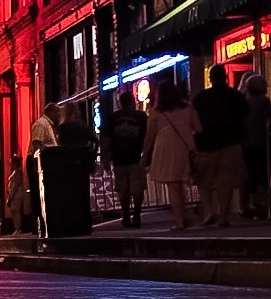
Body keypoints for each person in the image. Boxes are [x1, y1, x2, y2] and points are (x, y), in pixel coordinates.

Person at [193, 62, 250, 227]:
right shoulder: (236, 96)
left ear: (210, 79)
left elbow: (194, 121)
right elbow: (245, 114)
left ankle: (210, 210)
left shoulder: (201, 98)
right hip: (231, 142)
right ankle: (223, 215)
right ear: (225, 77)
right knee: (225, 181)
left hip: (205, 144)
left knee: (203, 180)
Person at [142, 75, 201, 231]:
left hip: (164, 149)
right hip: (184, 148)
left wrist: (145, 154)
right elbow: (198, 128)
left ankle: (180, 220)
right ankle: (184, 215)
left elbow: (150, 136)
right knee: (180, 183)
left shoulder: (156, 113)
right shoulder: (187, 108)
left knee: (172, 185)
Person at [103, 85, 148, 228]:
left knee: (123, 189)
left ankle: (126, 215)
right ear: (132, 101)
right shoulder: (141, 116)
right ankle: (137, 215)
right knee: (137, 189)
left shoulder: (113, 118)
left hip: (119, 158)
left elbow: (105, 137)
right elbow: (148, 136)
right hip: (137, 157)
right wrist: (148, 154)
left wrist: (105, 157)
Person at [241, 71, 271, 220]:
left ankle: (253, 200)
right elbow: (269, 120)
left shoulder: (244, 102)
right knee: (264, 171)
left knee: (251, 172)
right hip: (262, 140)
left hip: (247, 142)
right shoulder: (264, 102)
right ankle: (264, 201)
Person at [26, 102, 57, 226]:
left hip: (45, 161)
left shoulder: (48, 124)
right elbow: (36, 144)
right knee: (38, 193)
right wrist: (37, 163)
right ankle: (39, 221)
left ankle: (43, 220)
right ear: (51, 112)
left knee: (43, 192)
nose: (59, 116)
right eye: (57, 113)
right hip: (39, 162)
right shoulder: (41, 124)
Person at [5, 157, 29, 234]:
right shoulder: (15, 172)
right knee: (13, 211)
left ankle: (18, 228)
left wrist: (12, 195)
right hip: (13, 194)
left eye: (12, 162)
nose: (11, 164)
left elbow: (17, 184)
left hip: (17, 194)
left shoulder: (18, 172)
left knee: (16, 211)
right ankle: (16, 228)